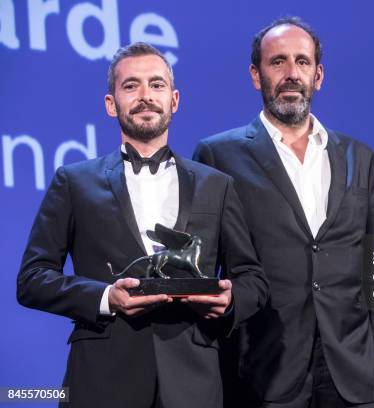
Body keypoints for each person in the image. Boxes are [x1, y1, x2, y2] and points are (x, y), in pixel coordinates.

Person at [17, 42, 268, 408]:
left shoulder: (217, 185)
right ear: (111, 103)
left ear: (175, 99)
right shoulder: (73, 182)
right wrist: (106, 298)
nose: (145, 95)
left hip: (193, 384)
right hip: (102, 381)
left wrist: (229, 300)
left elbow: (252, 278)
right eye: (131, 86)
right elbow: (32, 279)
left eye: (156, 84)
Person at [193, 17, 374, 408]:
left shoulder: (360, 157)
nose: (291, 73)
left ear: (319, 75)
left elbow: (373, 270)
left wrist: (372, 359)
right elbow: (203, 275)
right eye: (277, 62)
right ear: (255, 74)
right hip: (261, 371)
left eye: (302, 62)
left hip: (350, 374)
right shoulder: (218, 155)